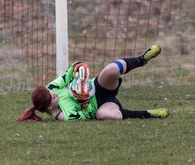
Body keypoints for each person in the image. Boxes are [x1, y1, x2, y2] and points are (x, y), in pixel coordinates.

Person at [17, 45, 169, 122]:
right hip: (102, 105)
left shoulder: (51, 87)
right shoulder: (64, 116)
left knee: (110, 70)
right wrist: (84, 102)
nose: (55, 93)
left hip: (97, 87)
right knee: (103, 115)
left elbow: (69, 73)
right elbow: (87, 115)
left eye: (52, 92)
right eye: (54, 96)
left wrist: (78, 68)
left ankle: (140, 60)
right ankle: (149, 114)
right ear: (50, 106)